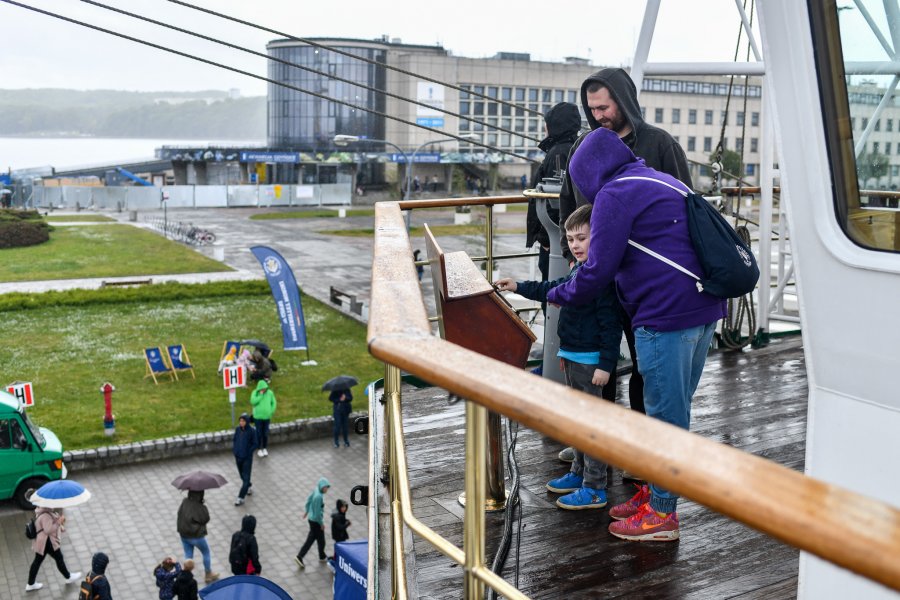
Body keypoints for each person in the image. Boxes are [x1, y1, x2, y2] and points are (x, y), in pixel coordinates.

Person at [546, 127, 726, 541]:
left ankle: (662, 516)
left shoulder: (614, 193)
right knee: (671, 409)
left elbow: (597, 270)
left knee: (664, 418)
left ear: (588, 172)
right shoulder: (661, 179)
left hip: (665, 315)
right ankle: (653, 491)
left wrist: (558, 293)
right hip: (703, 309)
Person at [556, 67, 694, 462]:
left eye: (604, 106)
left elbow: (686, 205)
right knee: (589, 359)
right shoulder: (583, 147)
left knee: (646, 363)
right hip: (598, 276)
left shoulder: (659, 143)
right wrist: (574, 257)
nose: (598, 114)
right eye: (592, 108)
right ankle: (595, 443)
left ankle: (641, 448)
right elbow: (571, 205)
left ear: (624, 100)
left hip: (645, 279)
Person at [496, 204, 622, 510]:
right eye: (571, 239)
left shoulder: (600, 278)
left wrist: (606, 365)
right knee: (578, 422)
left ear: (599, 238)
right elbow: (553, 288)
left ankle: (594, 488)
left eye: (582, 238)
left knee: (592, 426)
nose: (575, 245)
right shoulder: (579, 270)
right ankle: (579, 472)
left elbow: (611, 324)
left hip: (591, 360)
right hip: (572, 354)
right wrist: (518, 286)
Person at [527, 102, 582, 284]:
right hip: (564, 237)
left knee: (552, 283)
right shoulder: (575, 148)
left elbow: (555, 197)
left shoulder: (558, 153)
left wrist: (546, 239)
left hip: (554, 241)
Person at [25, 504, 82, 592]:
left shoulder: (42, 511)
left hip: (43, 542)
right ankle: (68, 577)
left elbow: (49, 525)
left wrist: (60, 524)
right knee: (58, 558)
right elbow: (48, 530)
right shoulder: (45, 515)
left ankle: (31, 583)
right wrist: (59, 521)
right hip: (47, 542)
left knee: (38, 561)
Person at [176, 490, 219, 584]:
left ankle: (186, 575)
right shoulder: (200, 507)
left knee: (188, 554)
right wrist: (202, 506)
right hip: (196, 536)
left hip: (184, 535)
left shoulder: (184, 501)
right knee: (206, 552)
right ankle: (208, 574)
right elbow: (205, 519)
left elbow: (179, 514)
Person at [295, 477, 331, 568]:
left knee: (318, 539)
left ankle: (321, 555)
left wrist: (307, 511)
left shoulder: (316, 490)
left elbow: (308, 500)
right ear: (322, 487)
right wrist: (321, 524)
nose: (327, 489)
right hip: (316, 521)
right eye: (326, 487)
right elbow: (318, 513)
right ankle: (300, 556)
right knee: (315, 540)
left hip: (311, 519)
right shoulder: (319, 497)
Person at [232, 413, 258, 505]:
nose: (241, 423)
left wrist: (248, 452)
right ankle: (248, 486)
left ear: (247, 422)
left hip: (247, 458)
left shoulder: (252, 431)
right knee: (242, 476)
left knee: (246, 478)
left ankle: (240, 498)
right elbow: (235, 440)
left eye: (243, 421)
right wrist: (235, 451)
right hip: (238, 457)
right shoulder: (238, 429)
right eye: (240, 421)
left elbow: (255, 443)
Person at [250, 379, 276, 458]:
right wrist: (260, 395)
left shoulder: (270, 393)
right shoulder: (255, 393)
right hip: (258, 417)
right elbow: (253, 401)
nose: (263, 390)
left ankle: (264, 448)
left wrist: (271, 411)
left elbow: (273, 402)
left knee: (265, 433)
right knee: (258, 433)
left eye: (264, 388)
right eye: (262, 388)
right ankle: (259, 449)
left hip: (267, 417)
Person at [326, 498, 351, 570]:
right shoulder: (337, 516)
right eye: (343, 507)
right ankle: (335, 561)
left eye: (345, 507)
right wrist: (347, 524)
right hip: (339, 535)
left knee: (339, 548)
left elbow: (342, 520)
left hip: (340, 535)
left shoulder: (340, 513)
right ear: (339, 507)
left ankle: (336, 558)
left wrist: (346, 521)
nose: (344, 509)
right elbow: (340, 527)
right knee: (340, 548)